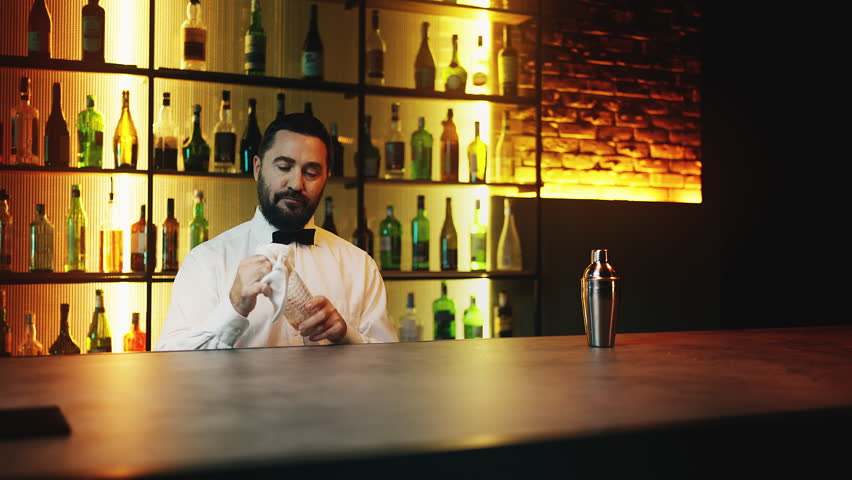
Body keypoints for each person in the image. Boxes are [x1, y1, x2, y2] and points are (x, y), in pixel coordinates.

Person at [155, 113, 397, 350]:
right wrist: (233, 307)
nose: (296, 184)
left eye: (311, 173)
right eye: (283, 167)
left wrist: (347, 336)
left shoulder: (359, 266)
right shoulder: (206, 262)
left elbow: (388, 364)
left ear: (326, 178)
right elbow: (172, 362)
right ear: (257, 168)